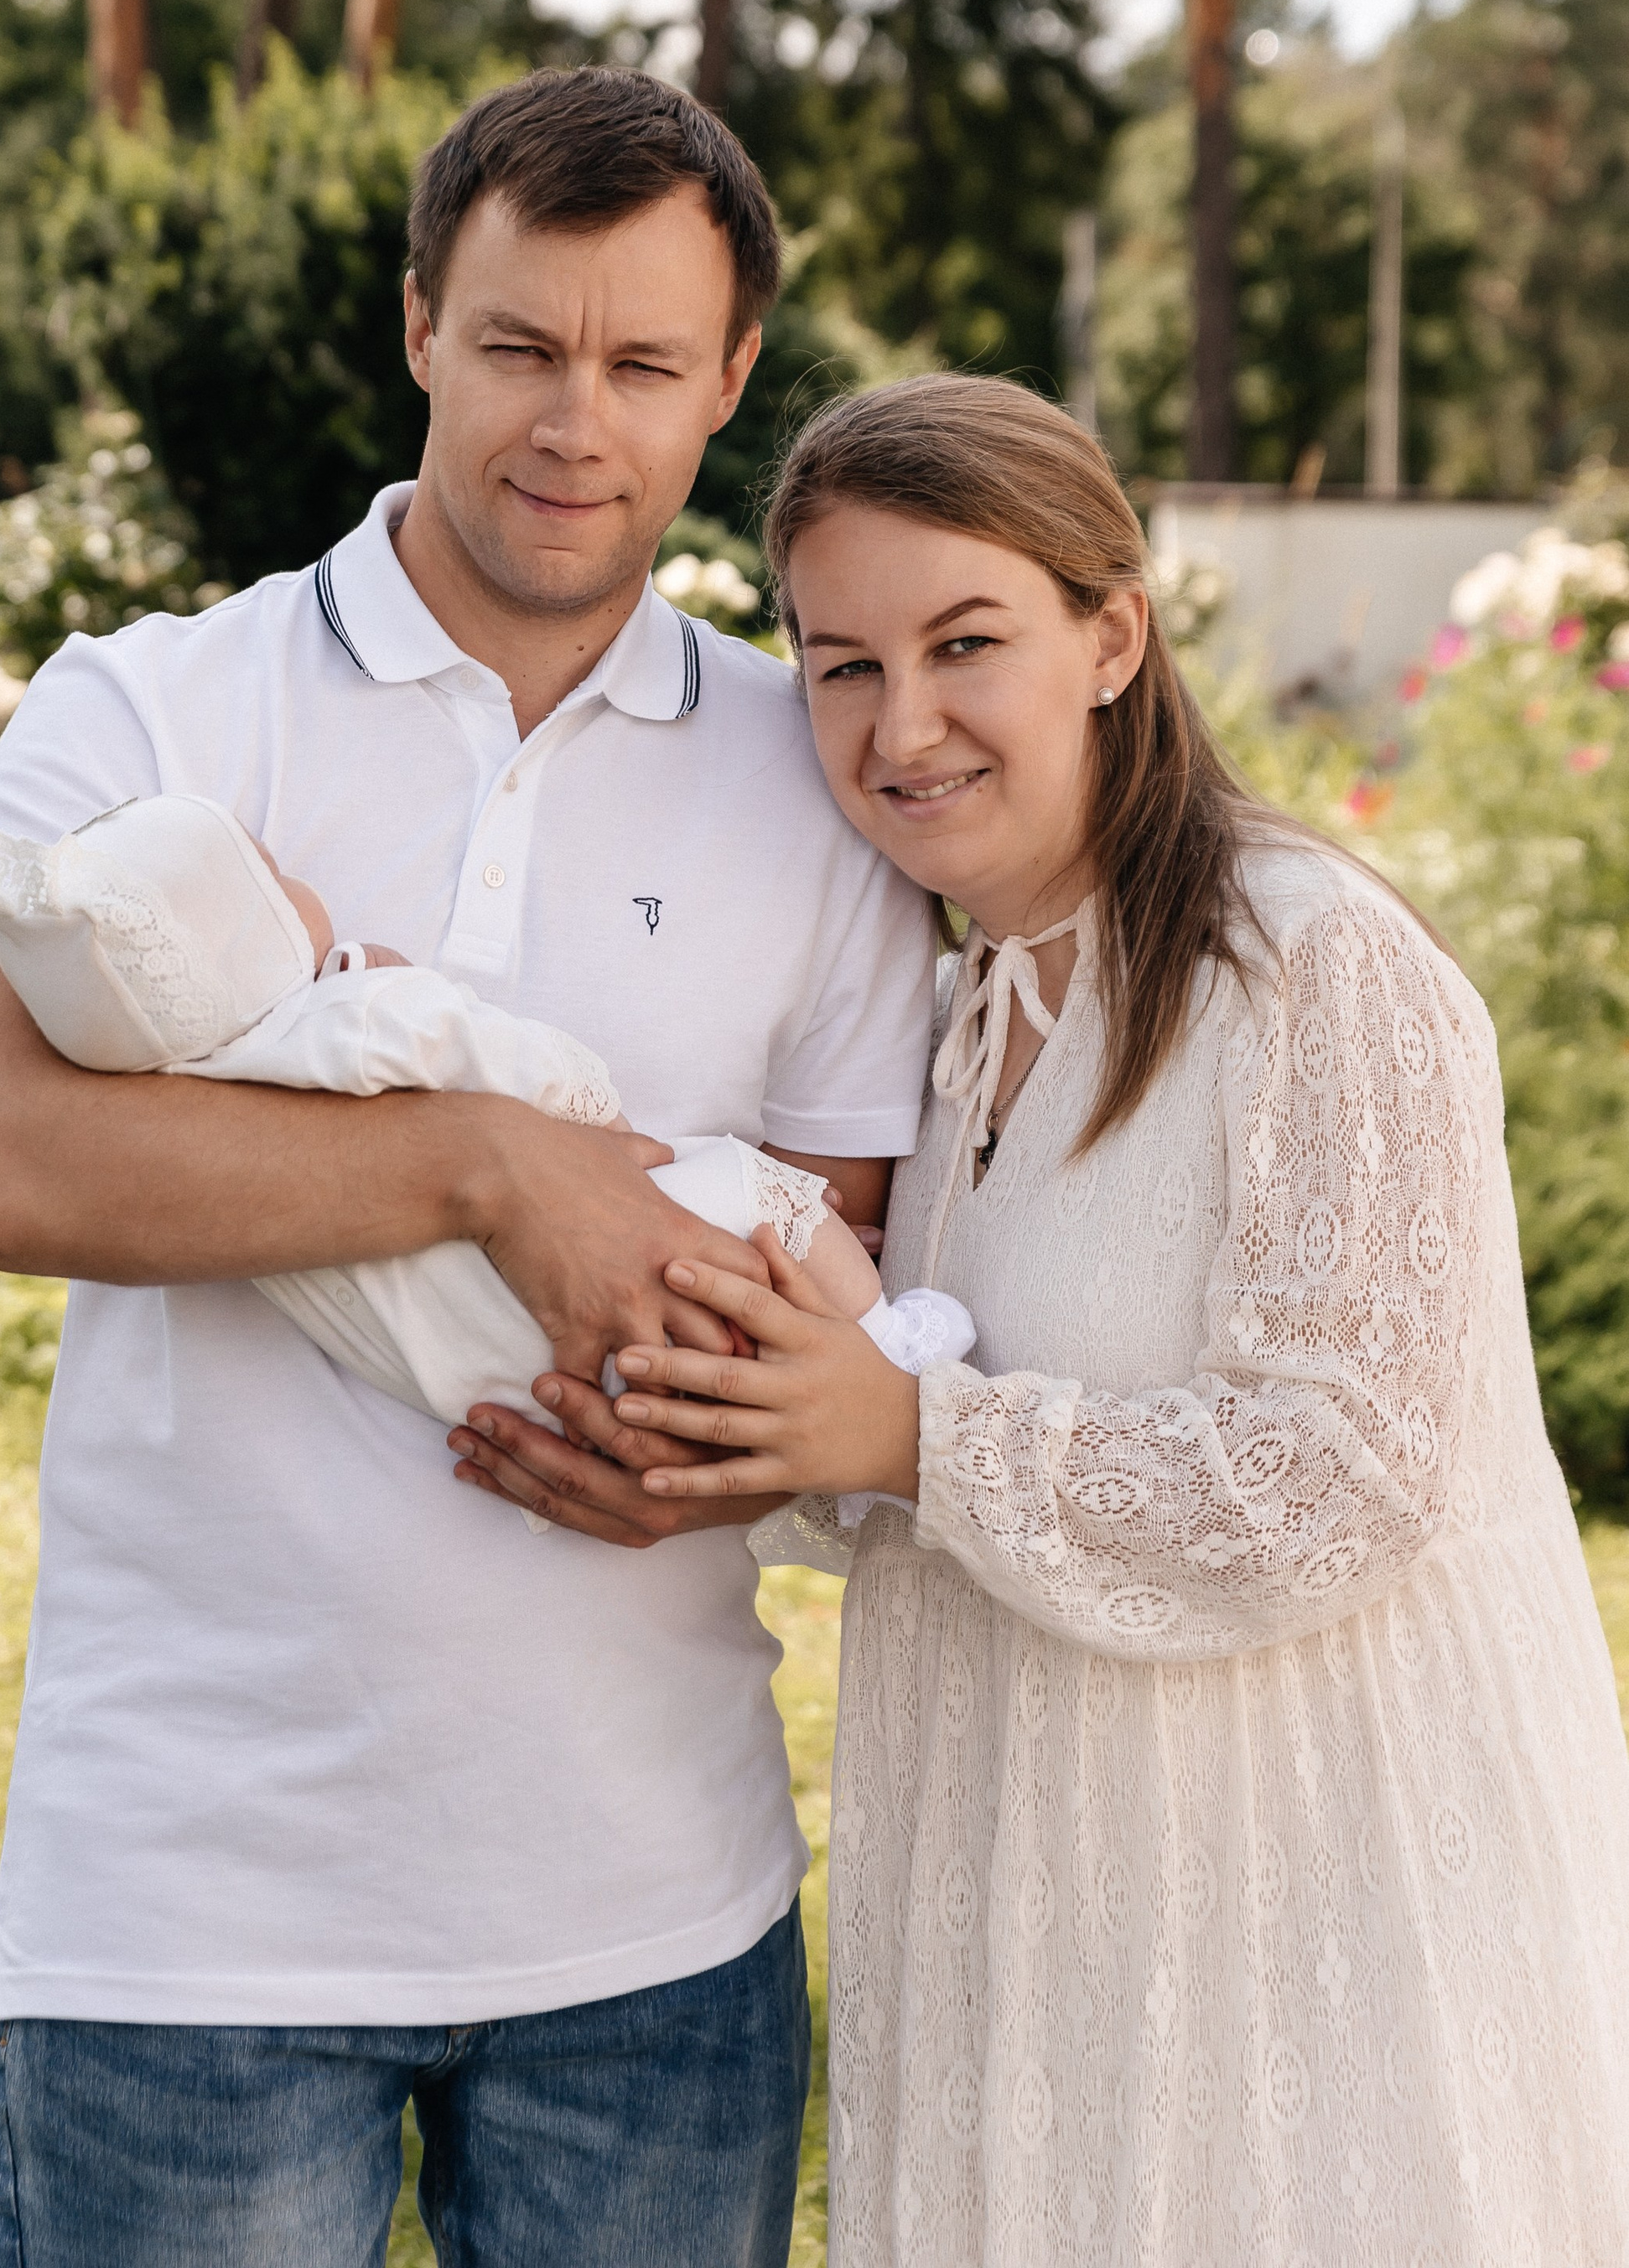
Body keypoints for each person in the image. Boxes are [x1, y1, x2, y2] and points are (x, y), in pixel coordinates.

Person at [0, 69, 934, 2268]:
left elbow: (837, 1260)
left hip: (655, 1922)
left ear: (730, 380)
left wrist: (721, 1446)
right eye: (519, 346)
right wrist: (485, 1166)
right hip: (188, 1912)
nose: (575, 421)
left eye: (644, 364)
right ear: (418, 331)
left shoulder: (814, 775)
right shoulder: (151, 709)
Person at [602, 372, 1629, 2265]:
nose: (901, 723)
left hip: (1312, 1921)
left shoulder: (1314, 965)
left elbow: (1341, 1469)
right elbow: (922, 1416)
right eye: (841, 664)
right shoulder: (944, 1019)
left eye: (962, 643)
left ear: (1111, 636)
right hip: (1034, 1896)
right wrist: (745, 1420)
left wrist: (905, 1433)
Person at [0, 788, 966, 1438]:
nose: (297, 876)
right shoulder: (350, 1015)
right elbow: (493, 1056)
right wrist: (574, 1124)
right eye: (275, 880)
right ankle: (887, 1338)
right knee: (763, 1199)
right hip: (603, 1270)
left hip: (471, 1372)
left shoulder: (207, 1080)